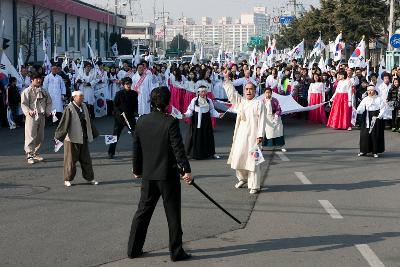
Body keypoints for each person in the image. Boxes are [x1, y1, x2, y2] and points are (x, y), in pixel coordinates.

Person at [128, 86, 193, 262]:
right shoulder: (170, 121)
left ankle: (133, 249)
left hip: (148, 175)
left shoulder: (141, 121)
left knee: (143, 212)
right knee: (172, 214)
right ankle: (176, 251)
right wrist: (186, 170)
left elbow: (136, 148)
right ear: (168, 102)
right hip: (168, 175)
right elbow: (178, 149)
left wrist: (137, 169)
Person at [223, 73, 266, 194]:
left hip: (254, 136)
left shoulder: (259, 103)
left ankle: (254, 185)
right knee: (238, 157)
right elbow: (232, 94)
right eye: (246, 89)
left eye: (251, 89)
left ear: (255, 91)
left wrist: (260, 135)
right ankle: (242, 179)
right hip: (241, 135)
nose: (248, 91)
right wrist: (227, 80)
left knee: (254, 161)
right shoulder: (241, 102)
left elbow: (262, 120)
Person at [54, 90, 99, 187]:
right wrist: (59, 136)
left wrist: (94, 133)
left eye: (82, 96)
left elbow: (88, 121)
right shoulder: (69, 108)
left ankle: (90, 178)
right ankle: (67, 179)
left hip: (83, 137)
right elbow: (64, 123)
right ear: (74, 97)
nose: (82, 97)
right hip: (72, 138)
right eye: (80, 96)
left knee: (86, 159)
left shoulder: (84, 106)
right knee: (70, 161)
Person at [21, 73, 52, 164]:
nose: (39, 80)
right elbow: (24, 104)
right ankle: (29, 154)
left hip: (41, 115)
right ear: (32, 80)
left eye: (40, 78)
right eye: (36, 78)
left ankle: (35, 153)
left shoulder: (44, 91)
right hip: (32, 116)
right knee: (30, 135)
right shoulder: (27, 91)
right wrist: (28, 111)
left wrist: (48, 111)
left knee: (40, 136)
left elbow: (49, 102)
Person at [184, 85, 222, 160]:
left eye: (205, 91)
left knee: (207, 136)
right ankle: (193, 154)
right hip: (196, 120)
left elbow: (212, 110)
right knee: (195, 136)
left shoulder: (209, 100)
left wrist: (218, 114)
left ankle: (210, 153)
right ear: (198, 92)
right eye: (202, 91)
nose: (203, 93)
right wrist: (185, 114)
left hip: (206, 121)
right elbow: (190, 110)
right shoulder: (194, 100)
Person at [108, 77, 138, 159]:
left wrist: (136, 112)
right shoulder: (119, 93)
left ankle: (138, 152)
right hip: (119, 118)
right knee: (114, 136)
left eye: (129, 84)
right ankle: (111, 152)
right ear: (123, 85)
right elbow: (115, 105)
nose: (128, 85)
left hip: (130, 118)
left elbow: (135, 105)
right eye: (126, 84)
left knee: (136, 135)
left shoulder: (134, 93)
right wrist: (119, 112)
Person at [356, 84, 386, 158]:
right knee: (364, 134)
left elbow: (383, 108)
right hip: (366, 116)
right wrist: (359, 110)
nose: (370, 92)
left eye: (371, 90)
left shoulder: (379, 98)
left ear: (374, 90)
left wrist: (380, 116)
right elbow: (361, 107)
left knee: (374, 134)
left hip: (375, 116)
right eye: (368, 90)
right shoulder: (365, 99)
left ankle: (375, 151)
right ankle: (363, 150)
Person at [262, 87, 286, 152]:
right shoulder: (262, 101)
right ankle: (261, 146)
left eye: (269, 92)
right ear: (264, 93)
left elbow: (278, 109)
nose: (268, 94)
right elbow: (260, 111)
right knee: (265, 132)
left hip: (275, 117)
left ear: (271, 93)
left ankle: (282, 146)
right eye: (266, 93)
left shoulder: (275, 100)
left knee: (279, 131)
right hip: (266, 118)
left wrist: (276, 116)